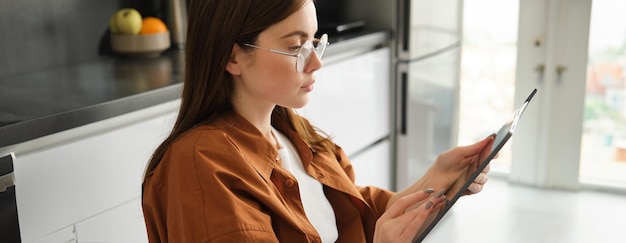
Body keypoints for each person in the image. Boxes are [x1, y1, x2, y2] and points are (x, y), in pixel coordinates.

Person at [141, 0, 494, 242]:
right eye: (295, 48)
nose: (315, 63)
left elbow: (355, 217)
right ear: (233, 57)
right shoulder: (201, 166)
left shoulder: (295, 133)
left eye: (314, 42)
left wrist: (437, 181)